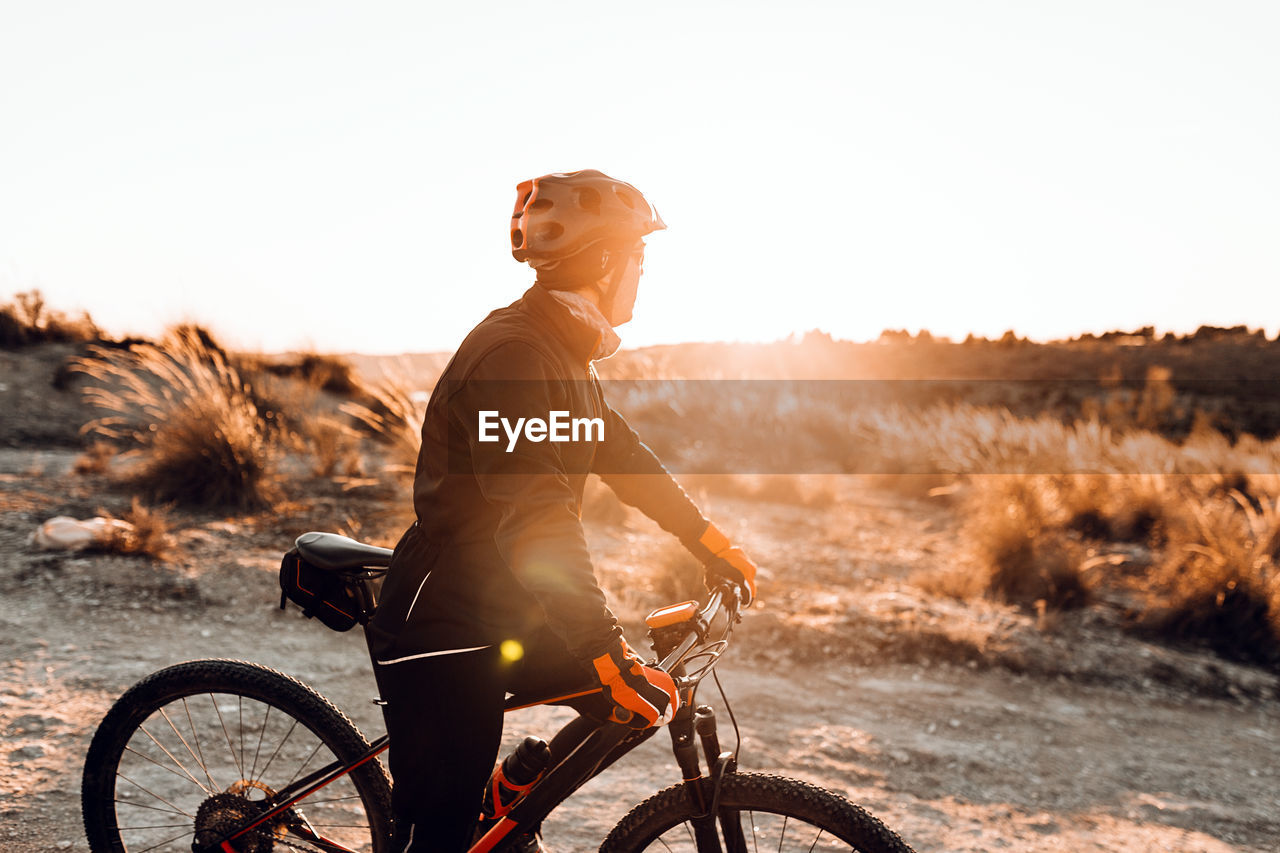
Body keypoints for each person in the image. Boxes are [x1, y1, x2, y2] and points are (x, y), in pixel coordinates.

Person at [366, 169, 759, 852]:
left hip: (508, 601)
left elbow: (621, 455)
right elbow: (538, 517)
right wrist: (604, 649)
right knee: (438, 833)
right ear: (602, 260)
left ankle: (509, 798)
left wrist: (710, 540)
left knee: (637, 701)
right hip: (445, 616)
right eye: (638, 255)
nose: (643, 270)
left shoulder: (564, 349)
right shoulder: (514, 356)